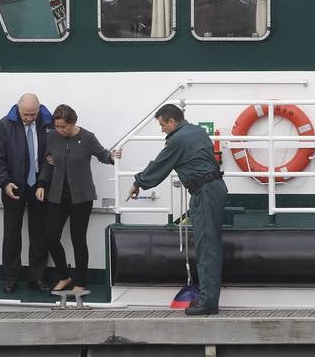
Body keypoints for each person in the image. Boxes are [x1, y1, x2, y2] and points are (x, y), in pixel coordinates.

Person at [127, 104, 227, 315]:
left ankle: (208, 303)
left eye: (162, 125)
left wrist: (138, 182)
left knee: (206, 247)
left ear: (172, 122)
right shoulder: (197, 131)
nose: (162, 129)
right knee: (209, 245)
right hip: (212, 189)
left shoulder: (178, 140)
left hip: (205, 193)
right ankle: (207, 297)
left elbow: (159, 166)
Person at [35, 104, 121, 291]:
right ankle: (64, 276)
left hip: (81, 197)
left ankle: (80, 282)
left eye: (63, 127)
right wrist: (42, 184)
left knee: (78, 239)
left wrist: (113, 157)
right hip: (57, 195)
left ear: (73, 123)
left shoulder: (87, 137)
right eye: (57, 126)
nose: (59, 130)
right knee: (50, 236)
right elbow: (48, 162)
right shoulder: (52, 137)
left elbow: (102, 154)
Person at [0, 92, 52, 293]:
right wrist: (4, 182)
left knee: (39, 233)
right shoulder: (4, 125)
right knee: (11, 234)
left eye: (32, 114)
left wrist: (43, 181)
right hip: (13, 186)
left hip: (39, 186)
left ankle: (38, 277)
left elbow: (51, 157)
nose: (28, 118)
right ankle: (10, 278)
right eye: (25, 114)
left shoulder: (48, 124)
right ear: (18, 108)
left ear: (38, 109)